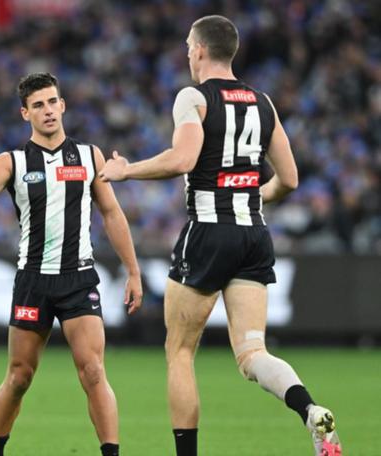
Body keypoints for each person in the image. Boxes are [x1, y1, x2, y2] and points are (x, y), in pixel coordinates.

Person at [99, 15, 342, 456]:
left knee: (180, 352)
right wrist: (253, 198)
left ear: (200, 50)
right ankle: (310, 410)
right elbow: (289, 178)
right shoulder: (262, 102)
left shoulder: (194, 96)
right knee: (252, 354)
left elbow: (183, 158)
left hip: (208, 233)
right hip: (253, 234)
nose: (187, 53)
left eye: (188, 46)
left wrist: (125, 170)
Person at [0, 72, 143, 456]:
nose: (47, 111)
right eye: (38, 105)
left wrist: (133, 271)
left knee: (94, 371)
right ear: (24, 113)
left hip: (79, 278)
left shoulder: (89, 156)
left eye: (52, 102)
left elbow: (112, 212)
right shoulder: (12, 161)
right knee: (19, 376)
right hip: (33, 282)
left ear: (63, 105)